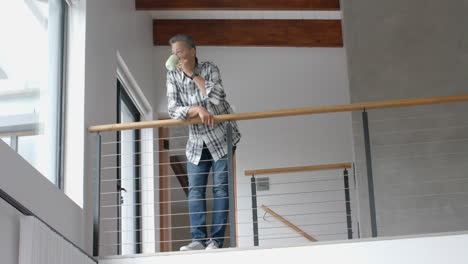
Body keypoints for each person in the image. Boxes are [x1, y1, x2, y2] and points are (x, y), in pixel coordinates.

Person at [166, 34, 241, 251]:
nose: (176, 56)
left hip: (221, 137)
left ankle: (215, 242)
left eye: (179, 52)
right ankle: (198, 239)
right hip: (196, 142)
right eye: (173, 53)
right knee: (196, 190)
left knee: (220, 189)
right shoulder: (171, 75)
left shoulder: (209, 69)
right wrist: (197, 109)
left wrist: (191, 75)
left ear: (192, 51)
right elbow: (173, 110)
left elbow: (218, 96)